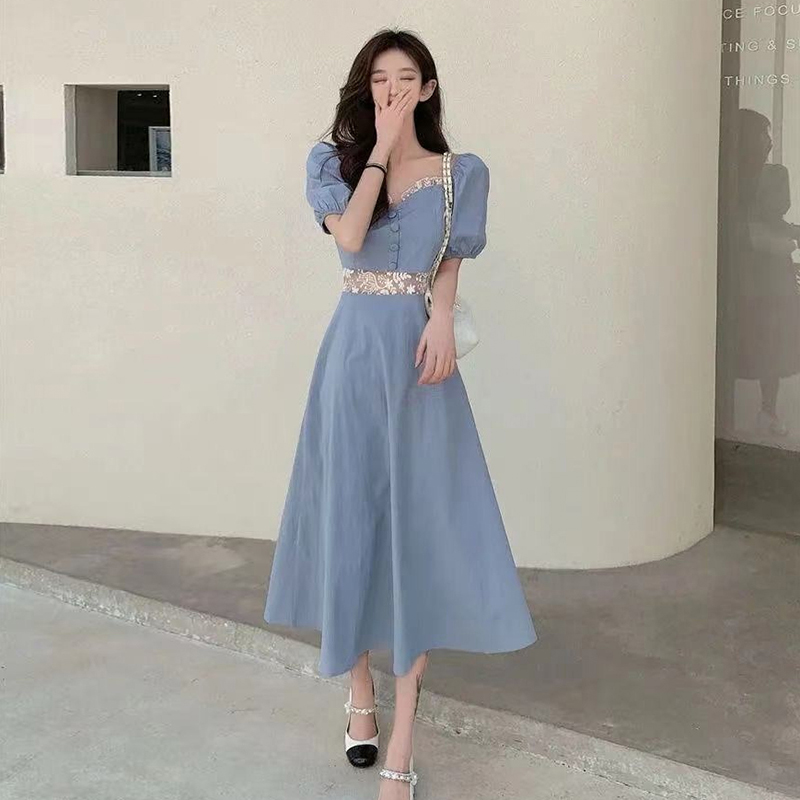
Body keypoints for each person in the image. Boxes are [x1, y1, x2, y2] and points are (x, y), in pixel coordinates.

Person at [263, 28, 537, 799]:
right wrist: (380, 148)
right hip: (352, 359)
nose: (392, 88)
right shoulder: (332, 164)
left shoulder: (461, 172)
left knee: (417, 532)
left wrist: (442, 317)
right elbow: (351, 237)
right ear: (366, 86)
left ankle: (403, 747)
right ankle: (359, 693)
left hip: (419, 362)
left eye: (406, 77)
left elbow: (448, 260)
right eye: (380, 77)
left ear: (428, 88)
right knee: (348, 519)